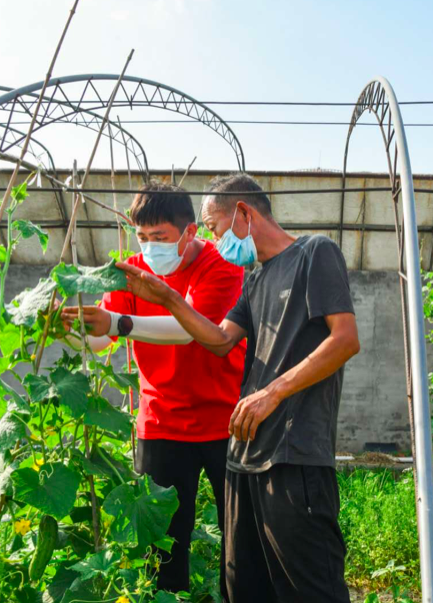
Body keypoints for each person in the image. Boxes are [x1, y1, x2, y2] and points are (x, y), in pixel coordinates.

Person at [117, 173, 360, 603]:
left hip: (295, 453)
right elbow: (218, 339)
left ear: (244, 213)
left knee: (309, 586)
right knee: (243, 584)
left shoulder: (313, 253)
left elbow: (344, 339)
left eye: (213, 227)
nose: (214, 239)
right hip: (245, 455)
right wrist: (170, 298)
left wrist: (274, 391)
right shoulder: (254, 278)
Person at [60, 181, 244, 598]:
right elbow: (102, 340)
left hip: (225, 420)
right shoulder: (129, 271)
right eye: (142, 238)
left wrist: (118, 324)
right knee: (163, 540)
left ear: (189, 232)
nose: (149, 248)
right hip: (161, 421)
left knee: (242, 534)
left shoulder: (221, 265)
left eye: (159, 238)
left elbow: (191, 330)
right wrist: (66, 331)